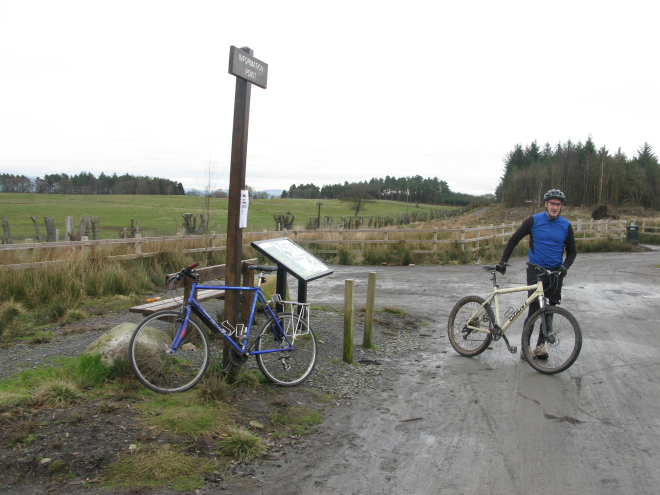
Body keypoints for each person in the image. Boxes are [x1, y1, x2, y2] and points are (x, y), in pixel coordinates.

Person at [495, 189, 577, 359]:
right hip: (535, 271)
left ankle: (540, 346)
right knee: (533, 310)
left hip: (555, 273)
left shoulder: (566, 225)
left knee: (549, 312)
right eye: (552, 204)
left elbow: (572, 251)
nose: (555, 207)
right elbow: (514, 239)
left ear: (561, 206)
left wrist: (565, 267)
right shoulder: (534, 221)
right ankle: (526, 347)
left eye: (558, 204)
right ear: (546, 204)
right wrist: (503, 261)